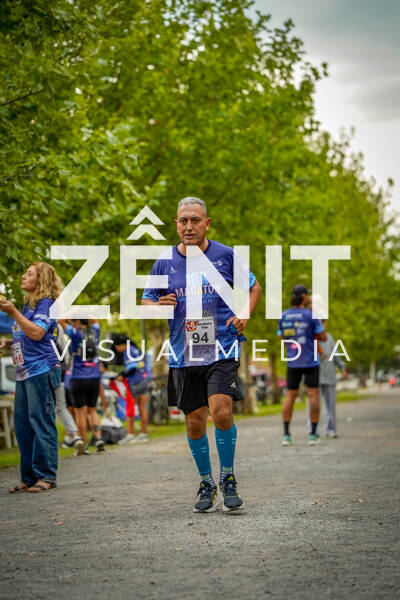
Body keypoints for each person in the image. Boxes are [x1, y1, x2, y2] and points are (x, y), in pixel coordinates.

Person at [142, 197, 261, 513]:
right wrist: (158, 306)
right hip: (184, 354)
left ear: (207, 224)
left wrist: (244, 314)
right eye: (183, 220)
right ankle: (207, 482)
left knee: (221, 411)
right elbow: (145, 302)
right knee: (195, 421)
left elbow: (253, 287)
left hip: (222, 347)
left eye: (195, 220)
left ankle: (228, 478)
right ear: (176, 224)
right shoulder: (163, 263)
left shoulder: (225, 256)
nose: (189, 226)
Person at [0, 263, 62, 493]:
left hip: (41, 369)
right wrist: (8, 343)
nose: (23, 276)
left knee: (41, 422)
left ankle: (46, 476)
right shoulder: (28, 306)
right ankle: (28, 476)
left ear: (41, 279)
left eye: (29, 274)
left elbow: (37, 332)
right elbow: (27, 336)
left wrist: (13, 312)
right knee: (23, 426)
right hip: (24, 372)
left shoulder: (47, 304)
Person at [278, 285, 327, 446]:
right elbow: (323, 337)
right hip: (311, 360)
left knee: (290, 396)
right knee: (313, 395)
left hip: (293, 361)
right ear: (304, 297)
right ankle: (313, 435)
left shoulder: (283, 315)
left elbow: (283, 338)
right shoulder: (311, 315)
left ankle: (286, 435)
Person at [58, 318, 105, 455]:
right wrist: (82, 313)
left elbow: (60, 320)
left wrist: (72, 314)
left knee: (80, 413)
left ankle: (84, 445)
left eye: (73, 322)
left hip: (78, 378)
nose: (71, 324)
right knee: (92, 410)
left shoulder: (74, 332)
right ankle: (98, 439)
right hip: (94, 377)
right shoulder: (95, 331)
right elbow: (95, 320)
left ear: (77, 322)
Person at [307, 323, 348, 438]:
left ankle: (330, 429)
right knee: (313, 404)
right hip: (314, 376)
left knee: (331, 406)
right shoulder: (309, 335)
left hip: (329, 375)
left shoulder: (329, 338)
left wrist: (342, 367)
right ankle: (313, 430)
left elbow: (335, 354)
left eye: (323, 322)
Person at [113, 335, 150, 444]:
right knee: (142, 408)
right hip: (144, 379)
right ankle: (143, 434)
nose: (117, 349)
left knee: (130, 407)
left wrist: (122, 375)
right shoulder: (135, 349)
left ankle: (130, 434)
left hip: (135, 382)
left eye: (117, 347)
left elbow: (131, 367)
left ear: (122, 345)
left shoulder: (128, 351)